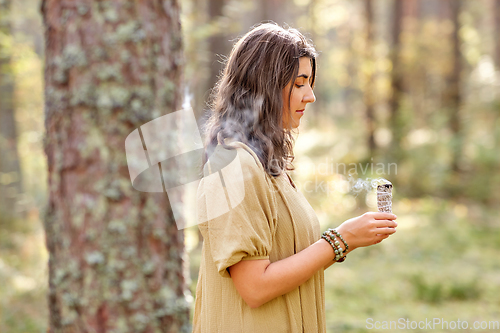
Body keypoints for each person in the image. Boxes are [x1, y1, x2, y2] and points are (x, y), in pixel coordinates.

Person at [192, 22, 398, 333]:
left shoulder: (266, 164)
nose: (311, 96)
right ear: (265, 86)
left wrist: (349, 239)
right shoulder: (235, 166)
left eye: (310, 83)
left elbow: (288, 259)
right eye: (299, 83)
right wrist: (341, 240)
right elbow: (254, 287)